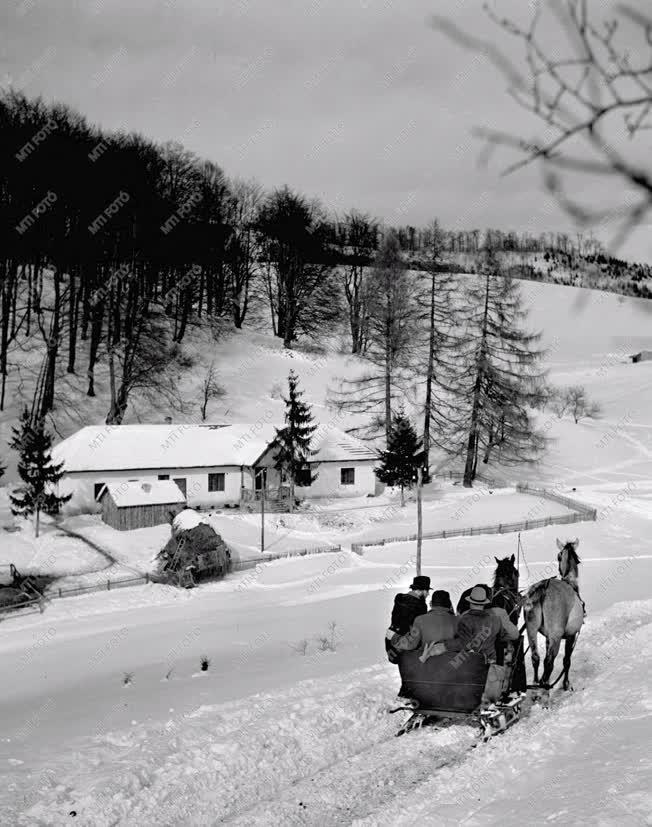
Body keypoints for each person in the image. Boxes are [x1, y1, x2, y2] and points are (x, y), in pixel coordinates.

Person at [426, 584, 519, 706]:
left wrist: (443, 646)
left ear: (470, 602)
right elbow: (509, 636)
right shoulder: (495, 619)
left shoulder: (463, 619)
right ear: (484, 603)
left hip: (466, 664)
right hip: (489, 665)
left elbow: (462, 643)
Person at [385, 576, 430, 695]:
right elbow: (419, 625)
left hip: (391, 637)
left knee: (403, 665)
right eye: (427, 592)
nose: (428, 595)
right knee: (413, 664)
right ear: (422, 591)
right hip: (406, 640)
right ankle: (408, 693)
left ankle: (406, 690)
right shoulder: (420, 605)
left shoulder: (400, 599)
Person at [388, 590, 457, 655]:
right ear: (449, 605)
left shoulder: (420, 620)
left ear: (431, 604)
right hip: (453, 663)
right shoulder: (457, 620)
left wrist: (395, 637)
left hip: (429, 661)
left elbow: (411, 644)